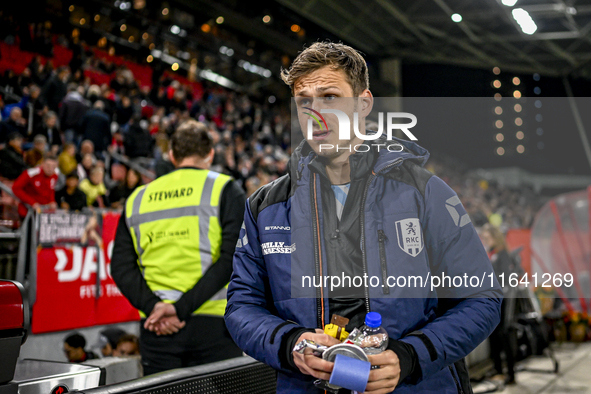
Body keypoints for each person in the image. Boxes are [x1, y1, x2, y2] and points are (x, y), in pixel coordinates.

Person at [224, 42, 502, 394]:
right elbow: (241, 306)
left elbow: (481, 298)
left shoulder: (426, 192)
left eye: (329, 96)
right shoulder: (266, 206)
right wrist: (290, 343)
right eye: (303, 101)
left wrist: (410, 357)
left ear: (364, 103)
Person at [110, 120, 246, 375]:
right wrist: (180, 309)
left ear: (172, 155)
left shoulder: (137, 198)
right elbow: (232, 259)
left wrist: (154, 308)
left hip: (157, 328)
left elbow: (120, 267)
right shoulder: (225, 188)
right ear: (210, 154)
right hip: (213, 326)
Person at [480, 223, 517, 385]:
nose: (486, 240)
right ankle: (498, 369)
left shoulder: (502, 255)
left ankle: (511, 373)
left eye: (488, 237)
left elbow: (506, 280)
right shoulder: (493, 253)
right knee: (493, 335)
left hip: (502, 300)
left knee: (503, 335)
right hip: (493, 299)